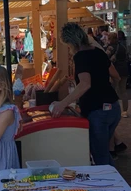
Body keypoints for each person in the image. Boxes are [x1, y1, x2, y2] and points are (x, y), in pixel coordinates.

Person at [51, 22, 121, 166]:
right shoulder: (98, 51)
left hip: (98, 111)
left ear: (71, 42)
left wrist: (62, 103)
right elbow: (116, 77)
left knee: (100, 156)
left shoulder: (81, 56)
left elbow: (85, 84)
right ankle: (114, 183)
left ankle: (112, 186)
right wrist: (106, 90)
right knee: (103, 153)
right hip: (113, 108)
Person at [106, 32, 129, 118]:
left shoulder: (111, 47)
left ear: (111, 39)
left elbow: (105, 56)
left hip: (115, 71)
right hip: (124, 70)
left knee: (113, 90)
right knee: (123, 91)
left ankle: (113, 109)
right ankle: (125, 111)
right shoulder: (122, 46)